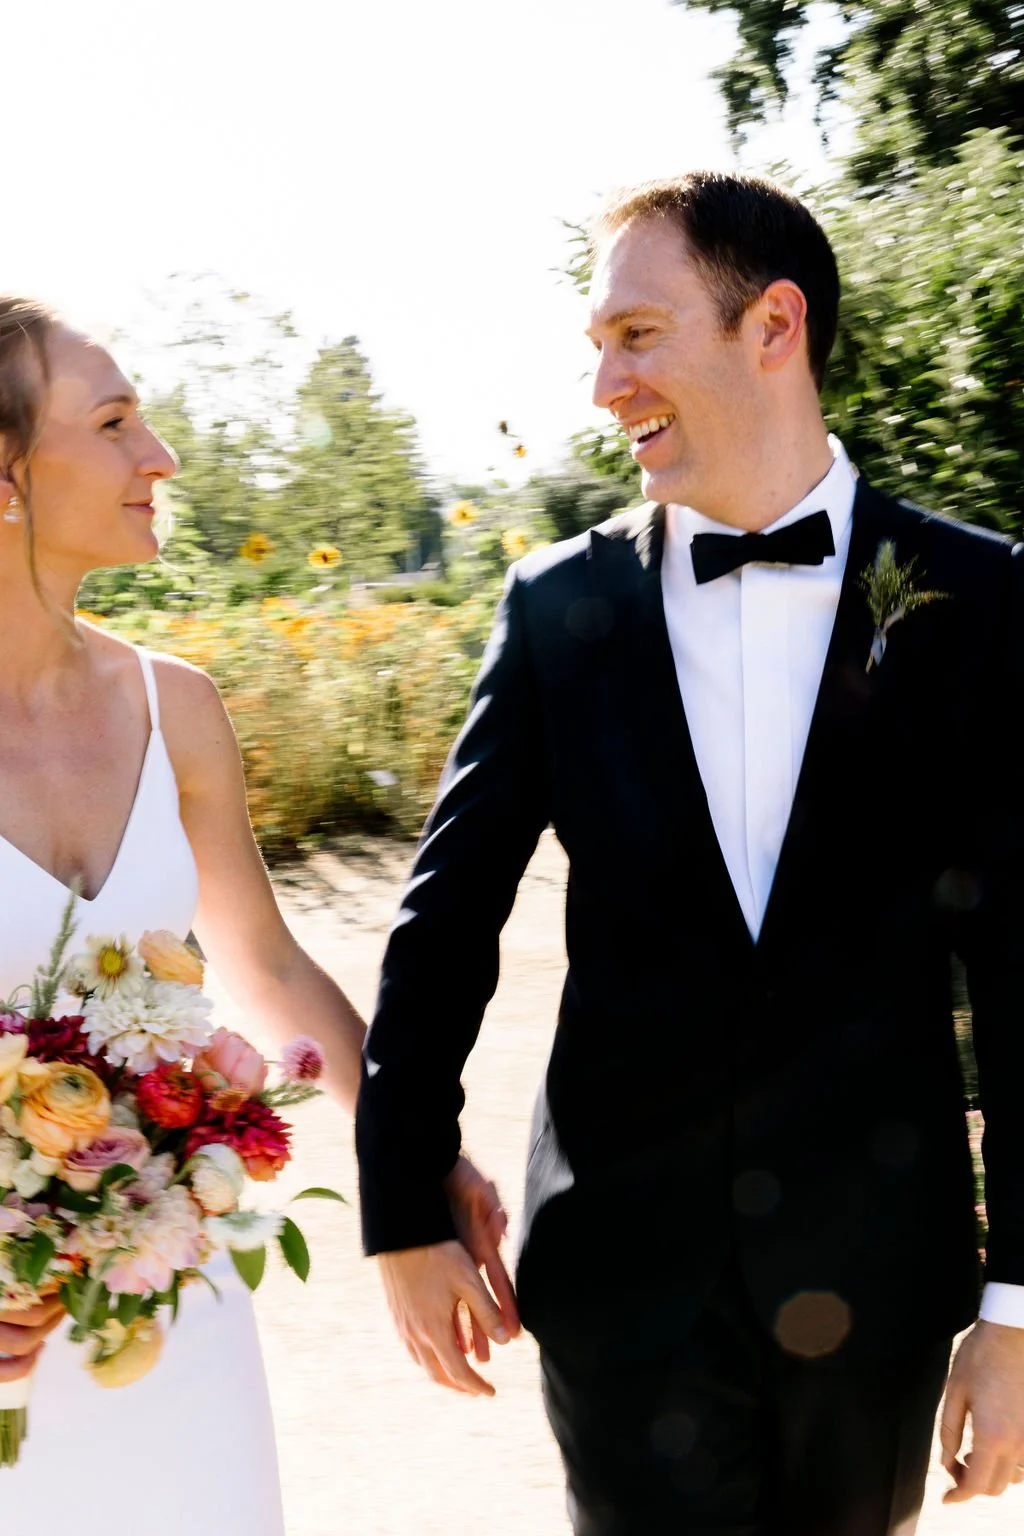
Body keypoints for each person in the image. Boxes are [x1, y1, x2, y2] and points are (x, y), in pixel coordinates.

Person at [356, 172, 1024, 1534]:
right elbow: (445, 924)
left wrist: (1017, 1310)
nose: (604, 383)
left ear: (772, 327)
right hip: (619, 1280)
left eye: (638, 335)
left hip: (878, 1283)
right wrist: (399, 1208)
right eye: (597, 345)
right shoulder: (558, 606)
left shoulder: (981, 599)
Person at [0, 296, 506, 1531]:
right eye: (114, 423)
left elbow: (266, 965)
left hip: (174, 1317)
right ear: (6, 475)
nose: (159, 455)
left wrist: (410, 1149)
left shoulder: (181, 708)